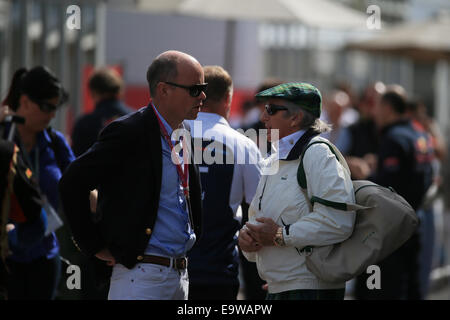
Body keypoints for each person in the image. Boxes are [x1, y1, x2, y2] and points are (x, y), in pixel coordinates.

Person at [58, 50, 206, 300]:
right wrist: (94, 246)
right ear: (164, 90)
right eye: (194, 89)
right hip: (141, 276)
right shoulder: (129, 131)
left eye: (203, 88)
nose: (202, 95)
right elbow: (72, 182)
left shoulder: (183, 132)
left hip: (178, 274)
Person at [238, 82, 356, 300]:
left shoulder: (317, 153)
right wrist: (247, 240)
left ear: (295, 118)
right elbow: (259, 220)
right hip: (280, 287)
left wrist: (279, 234)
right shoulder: (274, 158)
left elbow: (339, 222)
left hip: (310, 289)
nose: (263, 117)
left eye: (271, 110)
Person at [186, 66, 261, 300]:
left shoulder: (170, 137)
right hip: (218, 271)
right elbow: (260, 205)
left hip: (168, 271)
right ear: (228, 98)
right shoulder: (244, 145)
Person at [1, 66, 74, 300]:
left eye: (55, 108)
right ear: (25, 101)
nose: (52, 115)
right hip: (5, 257)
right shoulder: (4, 139)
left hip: (44, 255)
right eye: (47, 107)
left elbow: (78, 183)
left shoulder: (55, 141)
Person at [354, 90, 434, 300]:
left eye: (378, 106)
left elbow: (387, 187)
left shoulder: (394, 137)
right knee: (411, 286)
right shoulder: (420, 134)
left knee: (381, 289)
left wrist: (367, 174)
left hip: (390, 231)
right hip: (415, 222)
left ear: (388, 108)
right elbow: (423, 174)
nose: (374, 111)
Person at [71, 67, 133, 157]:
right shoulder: (137, 118)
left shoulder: (84, 123)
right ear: (119, 91)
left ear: (94, 92)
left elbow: (76, 160)